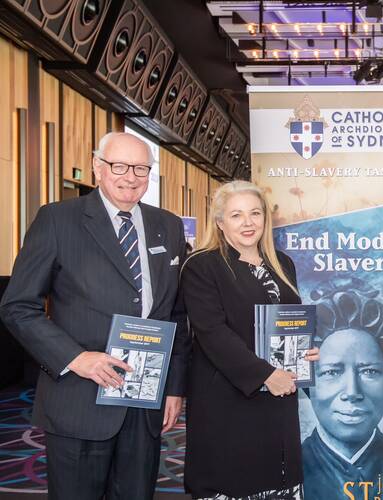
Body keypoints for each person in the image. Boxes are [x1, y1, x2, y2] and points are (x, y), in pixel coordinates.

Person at [0, 132, 190, 499]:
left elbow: (176, 314)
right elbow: (18, 306)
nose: (130, 177)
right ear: (96, 167)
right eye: (119, 166)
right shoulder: (58, 220)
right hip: (79, 397)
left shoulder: (167, 224)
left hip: (143, 399)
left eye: (141, 168)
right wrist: (75, 358)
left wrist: (175, 386)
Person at [180, 180, 318, 500]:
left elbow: (288, 322)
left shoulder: (282, 264)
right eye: (237, 215)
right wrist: (265, 375)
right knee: (235, 480)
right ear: (220, 222)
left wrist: (303, 350)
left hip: (279, 395)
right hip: (229, 397)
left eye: (255, 213)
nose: (248, 223)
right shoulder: (202, 266)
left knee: (277, 478)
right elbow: (213, 333)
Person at [302, 278, 383, 500]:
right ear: (309, 383)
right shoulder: (284, 473)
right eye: (331, 372)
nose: (352, 392)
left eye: (369, 371)